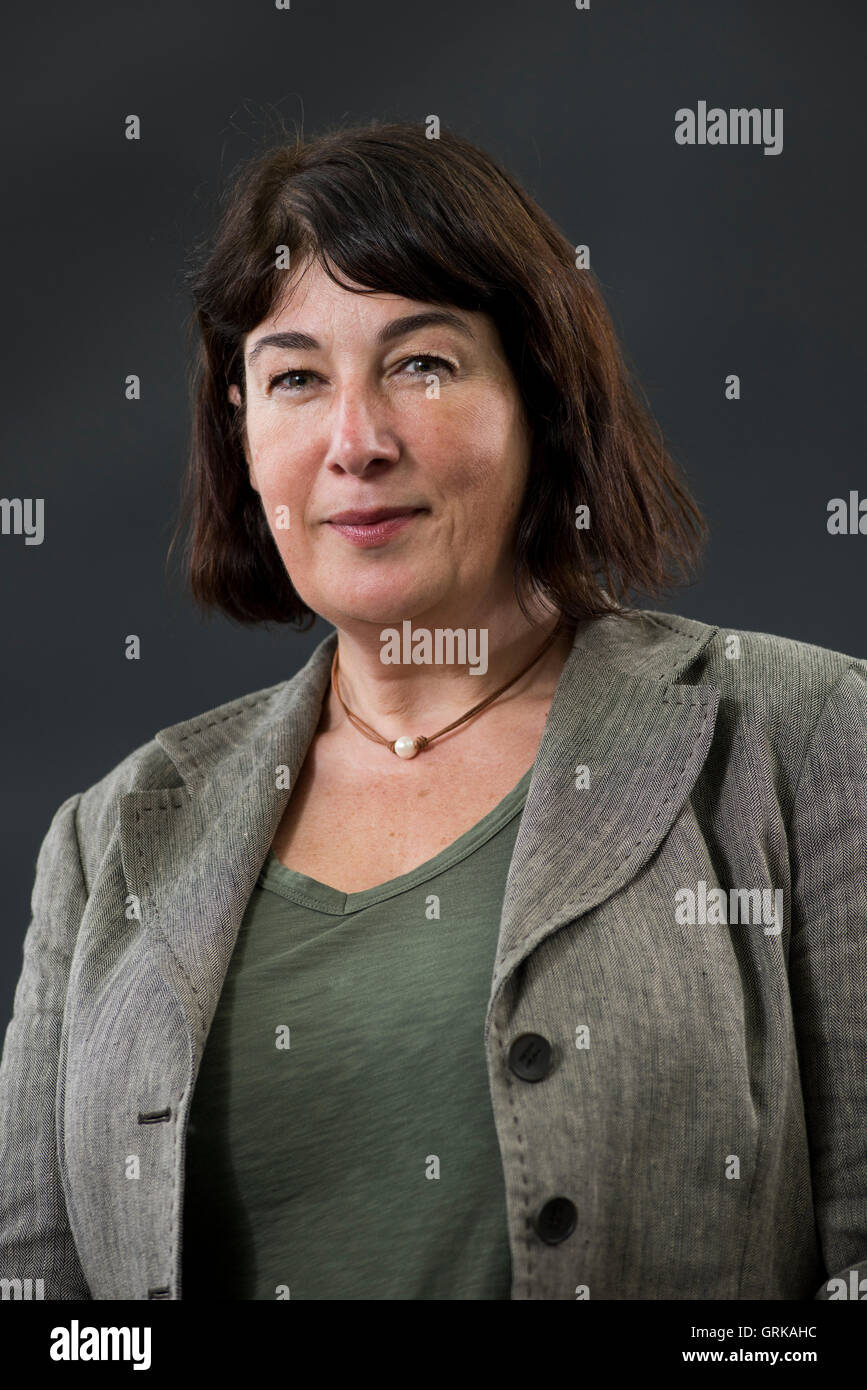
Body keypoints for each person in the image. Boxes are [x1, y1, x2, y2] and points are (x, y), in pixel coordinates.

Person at [0, 120, 864, 1302]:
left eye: (422, 363)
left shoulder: (804, 737)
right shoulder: (108, 843)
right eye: (296, 376)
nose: (356, 442)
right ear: (241, 435)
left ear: (542, 404)